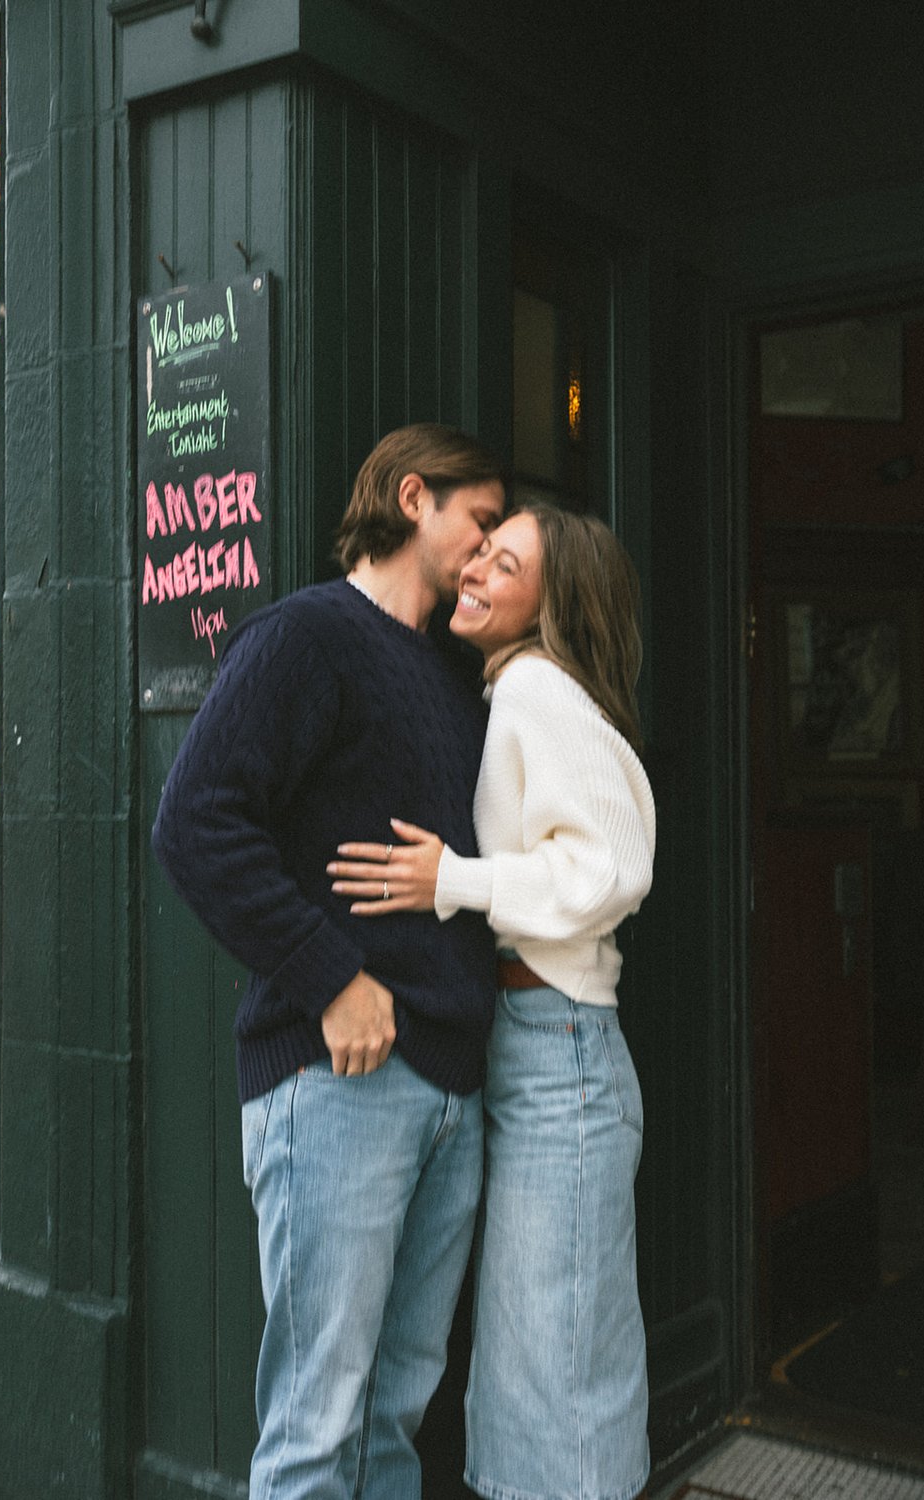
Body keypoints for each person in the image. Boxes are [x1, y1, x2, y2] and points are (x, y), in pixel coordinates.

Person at [151, 422, 506, 1500]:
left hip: (448, 1082)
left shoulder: (450, 680)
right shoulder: (306, 635)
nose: (490, 551)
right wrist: (333, 981)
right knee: (317, 1425)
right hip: (336, 1080)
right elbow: (194, 823)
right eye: (480, 522)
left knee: (396, 1415)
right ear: (414, 499)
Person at [328, 503, 655, 1500]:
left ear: (550, 601)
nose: (473, 570)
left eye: (502, 562)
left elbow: (613, 869)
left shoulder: (541, 690)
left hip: (561, 1048)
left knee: (555, 1364)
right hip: (532, 1043)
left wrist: (453, 881)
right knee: (528, 1358)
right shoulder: (511, 689)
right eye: (479, 550)